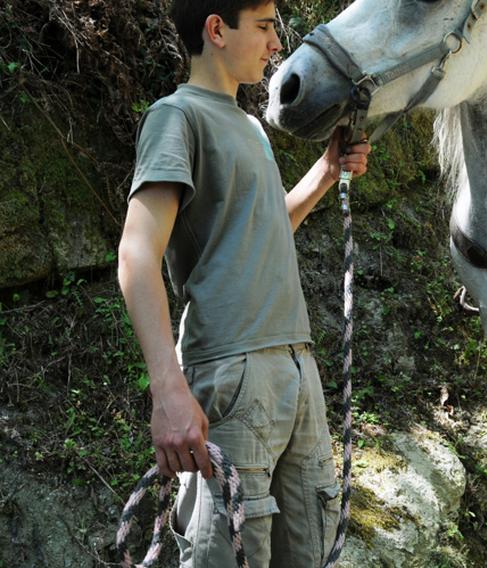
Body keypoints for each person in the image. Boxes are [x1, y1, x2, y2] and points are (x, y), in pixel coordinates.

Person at [117, 1, 370, 565]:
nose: (276, 43)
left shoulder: (250, 126)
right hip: (230, 376)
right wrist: (169, 389)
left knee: (310, 550)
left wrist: (327, 171)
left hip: (297, 372)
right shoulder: (175, 116)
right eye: (262, 27)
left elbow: (265, 227)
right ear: (216, 30)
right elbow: (136, 253)